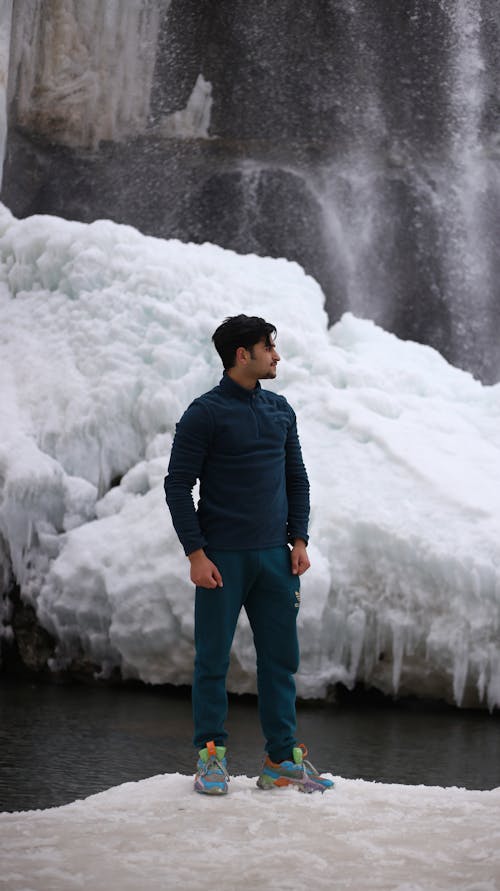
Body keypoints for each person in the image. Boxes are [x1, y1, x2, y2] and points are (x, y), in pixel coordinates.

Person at [164, 314, 333, 795]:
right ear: (244, 354)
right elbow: (178, 485)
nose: (276, 356)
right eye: (268, 347)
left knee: (281, 660)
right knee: (213, 661)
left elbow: (296, 480)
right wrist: (195, 553)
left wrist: (299, 540)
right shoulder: (205, 413)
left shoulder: (281, 410)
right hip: (223, 559)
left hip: (276, 561)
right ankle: (211, 758)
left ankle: (282, 759)